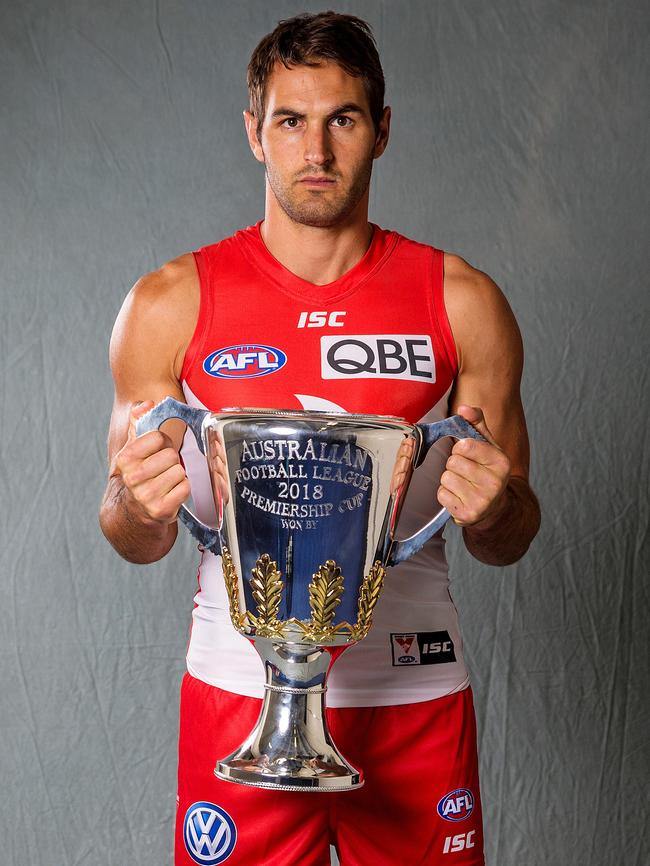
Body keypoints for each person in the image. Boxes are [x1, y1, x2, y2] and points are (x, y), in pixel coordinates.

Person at [99, 11, 541, 866]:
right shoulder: (169, 302)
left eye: (342, 118)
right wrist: (133, 503)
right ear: (254, 134)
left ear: (381, 129)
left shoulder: (462, 300)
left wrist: (496, 505)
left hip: (412, 693)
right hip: (238, 693)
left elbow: (510, 537)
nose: (317, 150)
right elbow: (130, 535)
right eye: (290, 121)